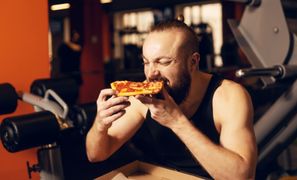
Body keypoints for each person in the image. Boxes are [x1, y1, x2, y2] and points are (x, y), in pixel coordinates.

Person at [86, 20, 257, 179]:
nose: (151, 73)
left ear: (193, 62)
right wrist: (100, 125)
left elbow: (241, 175)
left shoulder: (229, 96)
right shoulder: (142, 98)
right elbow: (96, 155)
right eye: (146, 62)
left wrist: (177, 122)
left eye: (163, 62)